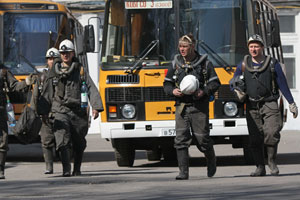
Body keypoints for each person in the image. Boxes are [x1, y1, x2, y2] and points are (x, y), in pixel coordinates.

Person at [232, 34, 298, 176]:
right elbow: (233, 82)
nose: (253, 49)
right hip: (251, 105)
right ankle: (259, 167)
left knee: (271, 133)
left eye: (256, 46)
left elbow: (283, 84)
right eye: (251, 46)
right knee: (255, 138)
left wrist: (292, 103)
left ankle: (272, 162)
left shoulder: (272, 64)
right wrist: (237, 92)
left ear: (262, 47)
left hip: (270, 103)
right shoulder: (243, 64)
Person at [38, 39, 104, 177]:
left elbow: (91, 88)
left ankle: (77, 169)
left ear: (73, 53)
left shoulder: (80, 70)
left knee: (79, 142)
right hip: (60, 110)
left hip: (78, 112)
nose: (65, 55)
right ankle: (66, 169)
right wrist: (43, 112)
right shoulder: (53, 73)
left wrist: (96, 107)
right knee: (62, 140)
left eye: (67, 52)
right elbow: (47, 92)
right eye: (62, 53)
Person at [163, 34, 220, 180]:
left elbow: (215, 83)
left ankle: (211, 159)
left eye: (185, 46)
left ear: (192, 46)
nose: (182, 49)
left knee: (203, 140)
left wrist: (204, 91)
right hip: (181, 107)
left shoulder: (204, 63)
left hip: (199, 107)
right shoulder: (175, 63)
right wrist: (172, 91)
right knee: (180, 140)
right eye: (180, 46)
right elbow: (166, 85)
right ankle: (183, 172)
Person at [0, 62, 35, 179]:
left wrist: (26, 83)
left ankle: (0, 170)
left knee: (2, 141)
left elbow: (14, 86)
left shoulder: (3, 71)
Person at [31, 47, 60, 174]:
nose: (51, 61)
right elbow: (35, 95)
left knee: (63, 141)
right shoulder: (41, 77)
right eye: (49, 59)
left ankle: (66, 167)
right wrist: (33, 111)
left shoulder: (65, 73)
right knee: (46, 141)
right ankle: (49, 167)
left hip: (61, 112)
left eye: (54, 58)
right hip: (46, 114)